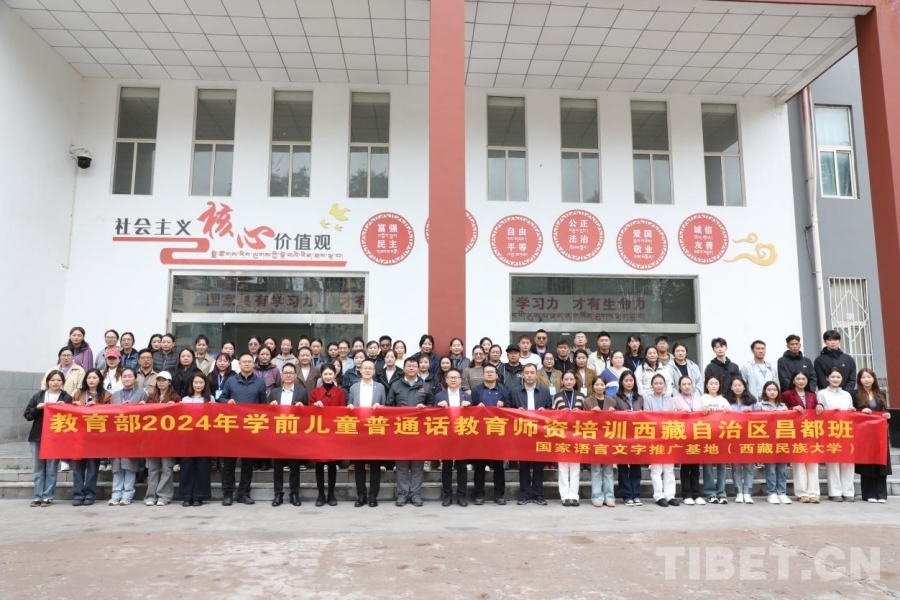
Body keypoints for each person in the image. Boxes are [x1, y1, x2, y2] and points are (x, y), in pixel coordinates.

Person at [218, 353, 268, 506]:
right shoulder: (231, 381)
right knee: (229, 463)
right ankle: (227, 494)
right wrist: (227, 401)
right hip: (233, 428)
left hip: (250, 429)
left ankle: (244, 493)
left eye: (249, 362)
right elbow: (221, 398)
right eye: (244, 361)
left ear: (254, 364)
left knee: (247, 464)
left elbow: (264, 405)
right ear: (239, 364)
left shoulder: (260, 383)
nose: (247, 364)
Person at [387, 357, 432, 507]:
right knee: (401, 464)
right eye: (409, 366)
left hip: (419, 432)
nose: (411, 368)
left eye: (414, 366)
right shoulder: (395, 385)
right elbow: (389, 406)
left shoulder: (425, 386)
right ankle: (402, 493)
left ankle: (415, 494)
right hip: (400, 431)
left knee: (417, 465)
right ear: (404, 368)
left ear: (419, 369)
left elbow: (433, 407)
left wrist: (425, 408)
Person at [24, 370, 72, 507]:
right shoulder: (39, 396)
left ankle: (48, 496)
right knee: (38, 468)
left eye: (59, 380)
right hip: (37, 436)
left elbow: (72, 418)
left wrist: (65, 407)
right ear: (47, 382)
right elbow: (27, 415)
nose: (55, 382)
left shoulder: (66, 397)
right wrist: (37, 408)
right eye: (52, 380)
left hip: (55, 438)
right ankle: (37, 496)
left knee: (51, 469)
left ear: (63, 382)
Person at [509, 364, 552, 505]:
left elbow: (550, 409)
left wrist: (545, 411)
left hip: (539, 432)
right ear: (523, 375)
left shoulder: (544, 391)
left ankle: (538, 494)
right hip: (522, 433)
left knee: (539, 465)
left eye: (532, 372)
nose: (529, 375)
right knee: (524, 466)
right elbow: (508, 410)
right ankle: (525, 495)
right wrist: (516, 411)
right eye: (526, 373)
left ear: (536, 374)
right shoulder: (515, 391)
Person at [268, 363, 308, 507]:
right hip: (278, 434)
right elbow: (267, 414)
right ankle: (278, 494)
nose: (288, 375)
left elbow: (308, 414)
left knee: (294, 466)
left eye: (291, 373)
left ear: (296, 375)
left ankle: (294, 494)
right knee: (278, 467)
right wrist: (271, 406)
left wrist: (303, 408)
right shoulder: (274, 392)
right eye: (286, 373)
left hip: (295, 434)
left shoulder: (302, 392)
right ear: (282, 375)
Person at [469, 364, 510, 505]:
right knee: (479, 466)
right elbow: (469, 410)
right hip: (480, 434)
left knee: (499, 467)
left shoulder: (504, 390)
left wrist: (504, 406)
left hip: (498, 433)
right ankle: (479, 495)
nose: (490, 374)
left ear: (497, 375)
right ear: (483, 375)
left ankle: (499, 495)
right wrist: (476, 409)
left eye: (492, 372)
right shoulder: (476, 391)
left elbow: (511, 410)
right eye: (487, 372)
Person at [347, 359, 385, 507]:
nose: (367, 370)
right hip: (359, 431)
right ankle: (361, 495)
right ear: (360, 370)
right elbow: (350, 405)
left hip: (375, 429)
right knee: (359, 465)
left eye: (370, 368)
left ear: (374, 371)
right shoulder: (354, 387)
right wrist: (350, 406)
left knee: (375, 465)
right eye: (365, 368)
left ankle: (373, 495)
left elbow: (385, 407)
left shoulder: (380, 387)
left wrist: (380, 407)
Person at [782, 370, 823, 503]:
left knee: (813, 465)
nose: (801, 381)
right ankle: (802, 493)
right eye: (798, 379)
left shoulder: (812, 395)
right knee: (799, 464)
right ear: (793, 380)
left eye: (803, 379)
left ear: (807, 380)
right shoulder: (787, 394)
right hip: (795, 433)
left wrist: (820, 406)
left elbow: (817, 409)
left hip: (811, 432)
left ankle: (814, 493)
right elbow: (782, 411)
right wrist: (792, 409)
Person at [70, 369, 110, 506]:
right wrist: (74, 406)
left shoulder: (106, 395)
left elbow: (110, 414)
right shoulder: (78, 393)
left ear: (100, 380)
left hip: (95, 437)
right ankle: (78, 494)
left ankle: (90, 494)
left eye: (94, 378)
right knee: (77, 467)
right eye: (89, 378)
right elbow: (69, 412)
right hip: (79, 436)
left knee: (93, 468)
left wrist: (97, 407)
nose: (91, 380)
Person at [108, 368, 147, 506]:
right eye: (124, 376)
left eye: (130, 376)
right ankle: (116, 494)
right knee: (117, 466)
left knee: (129, 465)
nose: (127, 379)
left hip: (133, 436)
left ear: (135, 378)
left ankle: (127, 494)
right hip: (117, 435)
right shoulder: (115, 395)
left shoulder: (142, 394)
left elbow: (146, 414)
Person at [604, 370, 643, 506]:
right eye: (626, 380)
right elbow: (612, 415)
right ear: (621, 382)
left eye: (631, 380)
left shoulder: (640, 398)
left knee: (636, 467)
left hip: (637, 436)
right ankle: (627, 495)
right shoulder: (615, 398)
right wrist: (619, 413)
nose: (629, 383)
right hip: (621, 436)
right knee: (623, 467)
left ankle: (636, 494)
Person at [433, 368, 471, 507]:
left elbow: (474, 417)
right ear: (446, 380)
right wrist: (438, 407)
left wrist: (469, 407)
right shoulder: (439, 396)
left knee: (462, 468)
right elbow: (432, 416)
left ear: (461, 380)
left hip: (462, 436)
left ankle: (461, 496)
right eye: (451, 377)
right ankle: (447, 496)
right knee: (446, 467)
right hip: (445, 436)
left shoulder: (467, 397)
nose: (453, 380)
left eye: (456, 377)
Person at [310, 363, 347, 507]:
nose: (327, 376)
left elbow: (343, 411)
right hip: (319, 433)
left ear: (335, 375)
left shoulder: (340, 392)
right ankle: (320, 494)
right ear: (321, 375)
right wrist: (314, 406)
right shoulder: (315, 392)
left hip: (334, 434)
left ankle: (331, 493)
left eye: (330, 374)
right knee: (319, 465)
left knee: (332, 465)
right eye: (325, 374)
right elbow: (309, 412)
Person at [818, 368, 856, 501]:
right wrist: (830, 411)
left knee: (848, 461)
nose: (835, 379)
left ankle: (848, 492)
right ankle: (835, 492)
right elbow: (819, 412)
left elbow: (850, 411)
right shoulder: (822, 393)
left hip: (846, 430)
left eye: (838, 377)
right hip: (830, 430)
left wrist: (851, 410)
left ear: (842, 379)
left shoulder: (847, 394)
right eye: (832, 377)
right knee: (833, 462)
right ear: (827, 378)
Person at [142, 371, 180, 506]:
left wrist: (175, 407)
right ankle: (150, 496)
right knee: (152, 469)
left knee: (166, 468)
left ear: (169, 382)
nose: (161, 382)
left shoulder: (175, 397)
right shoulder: (151, 397)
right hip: (152, 438)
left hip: (168, 438)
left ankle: (164, 496)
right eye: (159, 380)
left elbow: (181, 415)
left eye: (164, 380)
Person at [855, 368, 891, 503]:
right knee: (867, 463)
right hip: (864, 434)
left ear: (874, 379)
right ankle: (868, 493)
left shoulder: (880, 394)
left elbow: (884, 410)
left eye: (869, 377)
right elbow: (851, 413)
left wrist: (887, 415)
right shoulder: (855, 394)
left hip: (879, 433)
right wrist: (860, 411)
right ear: (859, 380)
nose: (866, 380)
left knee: (881, 461)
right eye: (863, 377)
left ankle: (881, 494)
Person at [644, 374, 679, 507]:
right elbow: (646, 416)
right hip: (655, 437)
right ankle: (659, 495)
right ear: (652, 385)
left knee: (669, 469)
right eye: (656, 383)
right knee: (656, 468)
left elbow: (675, 415)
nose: (658, 386)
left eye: (661, 383)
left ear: (665, 385)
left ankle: (670, 495)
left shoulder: (670, 399)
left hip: (668, 435)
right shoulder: (648, 399)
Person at [552, 371, 585, 507]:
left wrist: (580, 413)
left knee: (575, 468)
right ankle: (565, 496)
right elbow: (551, 416)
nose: (569, 382)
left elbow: (587, 416)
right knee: (563, 467)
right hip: (562, 435)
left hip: (577, 435)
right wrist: (560, 413)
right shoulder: (557, 397)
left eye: (571, 379)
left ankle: (574, 495)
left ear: (575, 381)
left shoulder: (581, 396)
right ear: (562, 381)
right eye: (566, 379)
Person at [758, 381, 792, 505]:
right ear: (765, 391)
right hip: (768, 441)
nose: (772, 392)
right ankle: (771, 493)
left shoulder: (783, 407)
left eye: (774, 390)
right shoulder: (760, 406)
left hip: (782, 441)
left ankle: (781, 492)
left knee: (782, 469)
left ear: (778, 392)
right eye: (769, 390)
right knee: (771, 469)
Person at [725, 377, 758, 503]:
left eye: (740, 385)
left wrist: (751, 413)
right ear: (731, 387)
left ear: (744, 386)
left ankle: (748, 492)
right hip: (733, 438)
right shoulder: (726, 402)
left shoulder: (752, 401)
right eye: (735, 385)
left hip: (748, 438)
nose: (737, 388)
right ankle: (739, 492)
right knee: (736, 467)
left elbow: (760, 418)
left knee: (749, 467)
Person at [672, 376, 704, 505]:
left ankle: (696, 494)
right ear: (679, 386)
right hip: (683, 436)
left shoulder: (698, 398)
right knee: (685, 467)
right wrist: (680, 413)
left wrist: (705, 411)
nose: (686, 386)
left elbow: (704, 415)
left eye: (689, 384)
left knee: (695, 467)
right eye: (684, 384)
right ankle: (686, 494)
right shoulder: (675, 399)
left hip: (697, 436)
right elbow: (671, 415)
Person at [584, 377, 615, 507]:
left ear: (605, 386)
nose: (599, 387)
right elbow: (583, 420)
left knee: (608, 469)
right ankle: (597, 496)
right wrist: (591, 413)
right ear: (593, 386)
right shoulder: (587, 401)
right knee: (596, 469)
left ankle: (609, 496)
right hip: (594, 439)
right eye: (597, 384)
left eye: (602, 384)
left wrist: (614, 413)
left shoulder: (612, 401)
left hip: (608, 439)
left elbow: (617, 421)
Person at [701, 376, 730, 504]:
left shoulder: (724, 400)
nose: (713, 385)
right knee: (707, 466)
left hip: (721, 438)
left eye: (716, 383)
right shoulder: (702, 399)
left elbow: (732, 418)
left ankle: (721, 492)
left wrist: (728, 411)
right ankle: (710, 492)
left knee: (722, 466)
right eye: (711, 383)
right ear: (706, 385)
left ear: (719, 386)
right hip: (707, 437)